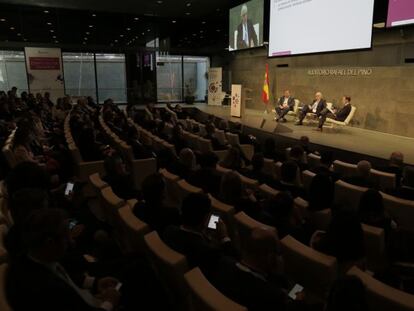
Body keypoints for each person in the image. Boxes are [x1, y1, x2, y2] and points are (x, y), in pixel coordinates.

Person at [6, 208, 121, 311]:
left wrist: (95, 283)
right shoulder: (47, 291)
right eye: (66, 237)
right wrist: (109, 302)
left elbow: (63, 276)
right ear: (50, 243)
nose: (71, 242)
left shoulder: (30, 259)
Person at [212, 228, 307, 311]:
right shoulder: (272, 296)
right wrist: (298, 300)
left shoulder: (223, 263)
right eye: (279, 253)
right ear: (270, 257)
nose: (280, 257)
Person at [163, 193, 234, 277]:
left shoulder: (169, 230)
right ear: (205, 218)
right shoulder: (209, 252)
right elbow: (233, 261)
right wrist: (224, 237)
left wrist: (204, 235)